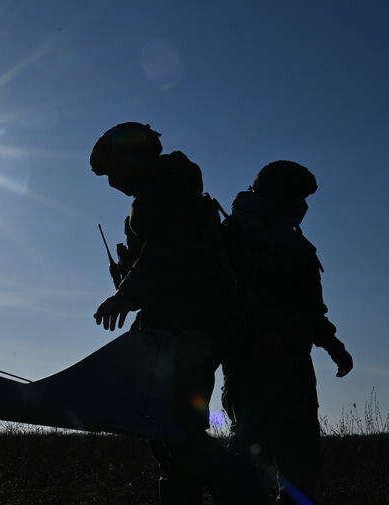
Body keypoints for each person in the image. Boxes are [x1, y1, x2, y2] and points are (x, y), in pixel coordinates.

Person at [90, 122, 265, 505]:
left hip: (186, 328)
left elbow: (164, 256)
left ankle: (244, 492)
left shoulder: (162, 192)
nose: (111, 183)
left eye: (112, 171)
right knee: (172, 430)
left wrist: (123, 295)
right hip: (193, 325)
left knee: (173, 429)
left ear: (133, 158)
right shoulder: (174, 188)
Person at [220, 160, 354, 504]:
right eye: (299, 196)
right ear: (282, 195)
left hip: (291, 361)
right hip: (252, 361)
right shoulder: (241, 232)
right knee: (252, 455)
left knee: (301, 457)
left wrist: (333, 346)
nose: (304, 205)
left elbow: (309, 307)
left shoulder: (292, 240)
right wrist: (263, 331)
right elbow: (234, 291)